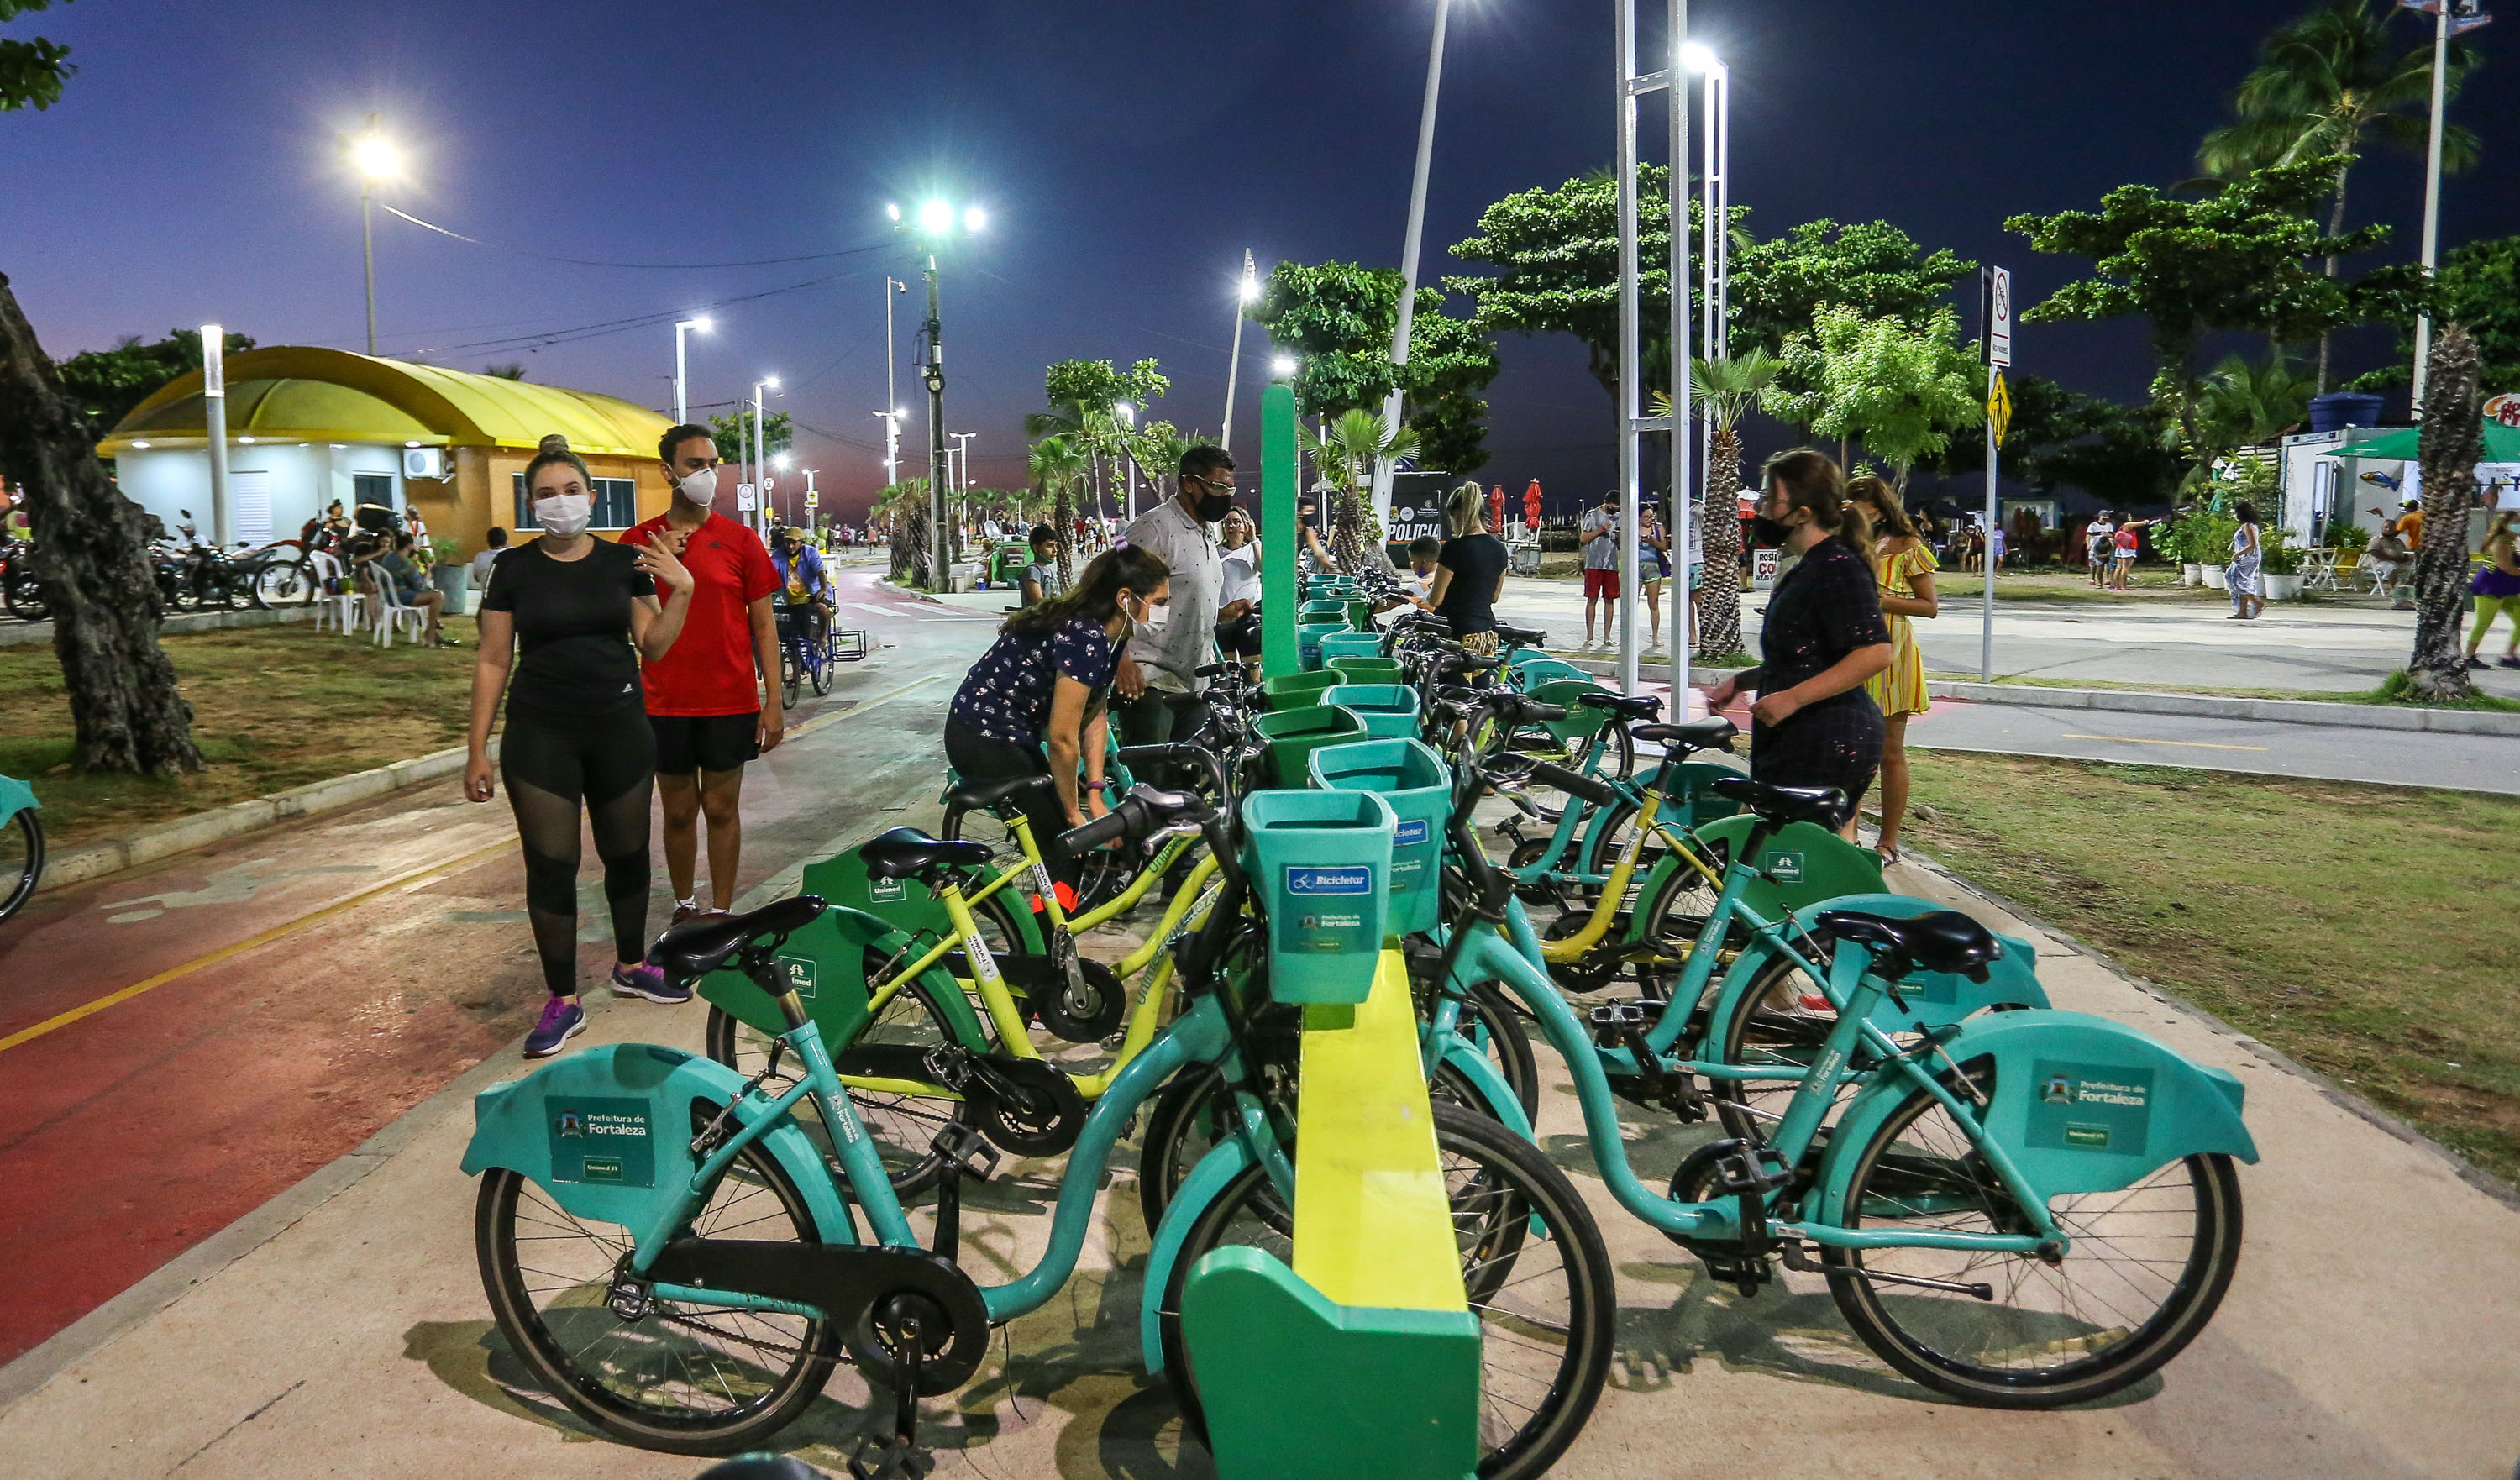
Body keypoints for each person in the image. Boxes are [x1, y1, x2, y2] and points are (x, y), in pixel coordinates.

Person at [465, 443, 699, 1057]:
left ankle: (631, 966)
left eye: (571, 490)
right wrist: (477, 749)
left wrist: (682, 590)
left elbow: (653, 645)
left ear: (592, 498)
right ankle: (563, 1000)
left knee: (627, 853)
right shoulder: (512, 569)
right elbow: (493, 660)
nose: (559, 502)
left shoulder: (625, 563)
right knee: (552, 864)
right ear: (530, 504)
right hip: (540, 735)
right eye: (545, 493)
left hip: (619, 728)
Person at [627, 424, 785, 924]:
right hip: (665, 703)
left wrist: (773, 700)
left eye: (713, 464)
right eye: (695, 464)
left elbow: (764, 627)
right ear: (667, 471)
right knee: (677, 813)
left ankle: (721, 911)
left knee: (720, 809)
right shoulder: (639, 543)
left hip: (729, 701)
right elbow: (637, 629)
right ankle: (684, 905)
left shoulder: (741, 541)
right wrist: (660, 559)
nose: (707, 474)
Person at [946, 546, 1166, 901]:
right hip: (982, 733)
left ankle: (1051, 920)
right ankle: (1049, 933)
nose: (1164, 613)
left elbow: (1094, 715)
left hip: (1012, 734)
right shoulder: (1084, 636)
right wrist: (1073, 813)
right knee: (1064, 848)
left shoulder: (1111, 637)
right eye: (1159, 602)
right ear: (1125, 598)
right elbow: (1063, 739)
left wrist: (1095, 792)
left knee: (1061, 838)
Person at [1698, 450, 1893, 835]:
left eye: (1770, 499)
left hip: (1825, 736)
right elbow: (1805, 654)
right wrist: (1744, 681)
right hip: (1798, 735)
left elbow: (1876, 652)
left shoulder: (1839, 567)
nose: (1761, 510)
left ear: (1802, 513)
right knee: (1772, 853)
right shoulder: (1810, 566)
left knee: (1791, 854)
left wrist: (1793, 698)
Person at [1115, 445, 1248, 761]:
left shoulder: (1206, 531)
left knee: (1188, 774)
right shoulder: (1154, 529)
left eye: (1230, 489)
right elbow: (1111, 593)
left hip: (1195, 680)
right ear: (1190, 483)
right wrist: (1121, 660)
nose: (1225, 496)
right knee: (1153, 777)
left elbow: (1179, 596)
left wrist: (1220, 615)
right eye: (1218, 487)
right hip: (1151, 680)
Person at [1847, 476, 1938, 863]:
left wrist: (1881, 599)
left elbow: (1929, 606)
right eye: (1849, 501)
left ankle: (1888, 842)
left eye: (1861, 502)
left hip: (1893, 651)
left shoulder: (1907, 546)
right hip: (1851, 649)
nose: (1854, 508)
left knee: (1890, 749)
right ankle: (1847, 836)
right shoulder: (1851, 543)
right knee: (1850, 750)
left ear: (1880, 507)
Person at [1425, 480, 1509, 654]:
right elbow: (1494, 597)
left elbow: (1435, 600)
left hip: (1456, 633)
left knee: (1443, 675)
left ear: (1456, 514)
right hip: (1487, 634)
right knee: (1483, 674)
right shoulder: (1500, 549)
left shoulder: (1454, 547)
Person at [360, 530, 454, 647]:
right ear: (409, 546)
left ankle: (433, 631)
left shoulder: (388, 557)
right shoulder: (406, 563)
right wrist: (428, 570)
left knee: (431, 594)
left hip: (387, 596)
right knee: (437, 596)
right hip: (400, 597)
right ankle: (430, 634)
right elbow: (420, 586)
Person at [2465, 511, 2520, 669]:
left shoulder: (2511, 541)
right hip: (2490, 587)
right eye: (2516, 522)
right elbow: (2506, 567)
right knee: (2483, 622)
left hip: (2509, 587)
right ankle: (2469, 655)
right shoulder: (2499, 543)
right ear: (2505, 525)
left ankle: (2508, 655)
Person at [772, 524, 833, 655]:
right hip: (792, 598)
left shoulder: (810, 552)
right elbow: (770, 570)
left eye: (794, 543)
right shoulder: (779, 555)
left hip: (813, 594)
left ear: (801, 543)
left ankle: (823, 637)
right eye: (787, 542)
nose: (790, 546)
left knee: (822, 609)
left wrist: (823, 589)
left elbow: (820, 570)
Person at [1579, 491, 1621, 649]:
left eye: (1616, 508)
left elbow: (1621, 544)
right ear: (1605, 502)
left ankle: (1607, 636)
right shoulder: (1592, 515)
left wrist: (1620, 536)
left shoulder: (1619, 517)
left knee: (1610, 600)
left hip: (1611, 565)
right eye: (1611, 508)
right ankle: (1589, 637)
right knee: (1592, 599)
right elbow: (1583, 538)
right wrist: (1600, 530)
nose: (1614, 511)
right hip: (1593, 564)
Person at [1639, 502, 1672, 653]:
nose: (1649, 519)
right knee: (1631, 602)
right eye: (1645, 517)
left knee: (1653, 604)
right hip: (1636, 566)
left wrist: (1653, 542)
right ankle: (1629, 633)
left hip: (1653, 567)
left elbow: (1664, 547)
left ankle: (1655, 635)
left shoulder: (1658, 528)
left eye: (1651, 516)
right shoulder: (1633, 527)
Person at [2226, 500, 2265, 621]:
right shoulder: (2248, 525)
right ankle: (2242, 612)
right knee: (2243, 582)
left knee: (2233, 579)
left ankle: (2256, 601)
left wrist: (2238, 554)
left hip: (2247, 558)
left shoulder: (2248, 526)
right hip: (2246, 557)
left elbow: (2252, 544)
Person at [2389, 497, 2424, 608]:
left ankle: (2410, 592)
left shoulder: (2408, 518)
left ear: (2408, 508)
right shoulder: (2426, 515)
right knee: (2424, 569)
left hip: (2416, 547)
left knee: (2416, 570)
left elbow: (2397, 532)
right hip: (2430, 546)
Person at [1022, 523, 1068, 608]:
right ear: (1036, 548)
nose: (1055, 550)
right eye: (1049, 546)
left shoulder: (1047, 570)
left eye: (1056, 546)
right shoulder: (1033, 570)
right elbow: (1039, 602)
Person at [2112, 516, 2160, 590]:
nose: (2130, 517)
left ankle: (2117, 585)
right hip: (2128, 548)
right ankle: (2124, 586)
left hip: (2121, 547)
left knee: (2119, 567)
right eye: (2129, 516)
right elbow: (2142, 523)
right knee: (2125, 568)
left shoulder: (2122, 526)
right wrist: (2148, 521)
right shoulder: (2128, 524)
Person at [470, 527, 509, 593]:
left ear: (488, 541)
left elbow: (477, 578)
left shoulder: (479, 557)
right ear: (506, 540)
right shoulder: (515, 556)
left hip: (488, 597)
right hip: (511, 598)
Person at [2083, 512, 2117, 586]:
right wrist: (2088, 544)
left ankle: (2107, 578)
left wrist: (2108, 535)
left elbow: (2112, 535)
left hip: (2106, 546)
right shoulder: (2093, 525)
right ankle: (2093, 578)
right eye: (2103, 518)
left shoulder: (2109, 525)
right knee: (2094, 563)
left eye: (2106, 518)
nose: (2105, 520)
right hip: (2095, 545)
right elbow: (2088, 535)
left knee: (2107, 562)